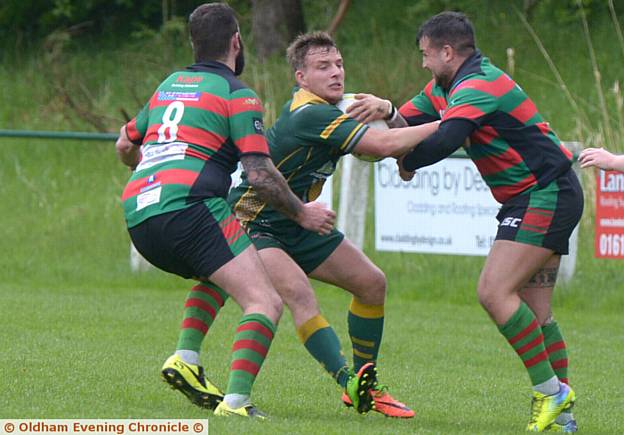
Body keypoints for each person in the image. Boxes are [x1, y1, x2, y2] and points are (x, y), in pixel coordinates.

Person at [115, 3, 344, 419]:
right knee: (264, 301)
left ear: (194, 43)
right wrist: (301, 213)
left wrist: (148, 169)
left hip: (138, 215)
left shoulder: (168, 85)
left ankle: (186, 356)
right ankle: (236, 403)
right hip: (190, 207)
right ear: (236, 41)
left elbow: (125, 145)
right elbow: (259, 174)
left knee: (218, 271)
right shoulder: (238, 96)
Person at [371, 11, 580, 432]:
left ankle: (553, 392)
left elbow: (446, 139)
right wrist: (387, 110)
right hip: (539, 195)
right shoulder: (444, 86)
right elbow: (409, 124)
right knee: (537, 314)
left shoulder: (480, 84)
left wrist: (406, 161)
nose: (423, 63)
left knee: (492, 291)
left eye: (426, 55)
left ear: (447, 52)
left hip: (544, 194)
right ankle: (564, 419)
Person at [227, 31, 440, 418]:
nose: (336, 72)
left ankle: (365, 382)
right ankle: (346, 384)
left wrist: (390, 110)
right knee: (299, 295)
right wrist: (456, 123)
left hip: (298, 219)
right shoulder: (313, 113)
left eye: (339, 64)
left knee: (372, 283)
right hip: (253, 219)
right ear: (301, 77)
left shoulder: (340, 104)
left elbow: (397, 137)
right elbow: (383, 147)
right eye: (323, 67)